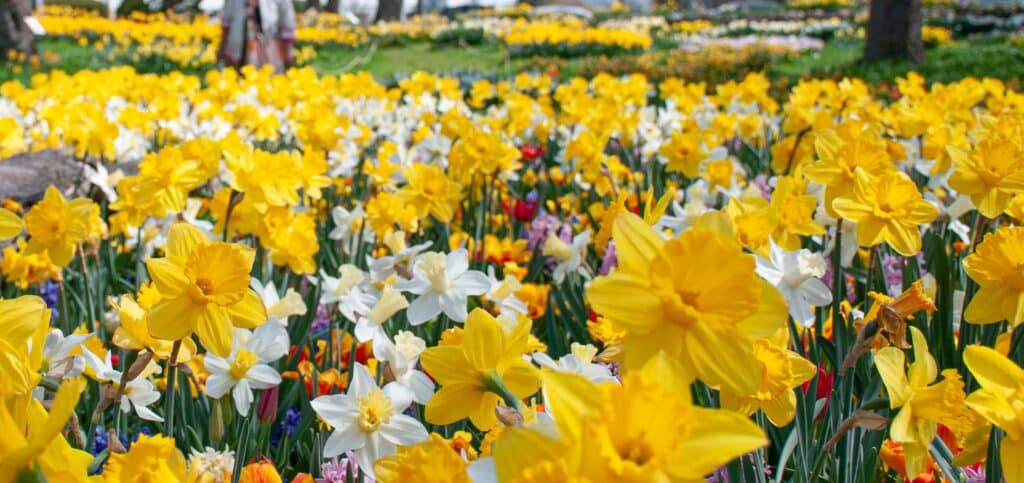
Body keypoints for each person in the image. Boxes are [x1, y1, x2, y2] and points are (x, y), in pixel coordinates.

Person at [218, 0, 296, 73]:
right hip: (237, 50)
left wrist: (288, 54)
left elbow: (287, 26)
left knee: (267, 78)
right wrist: (222, 49)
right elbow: (226, 24)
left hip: (269, 50)